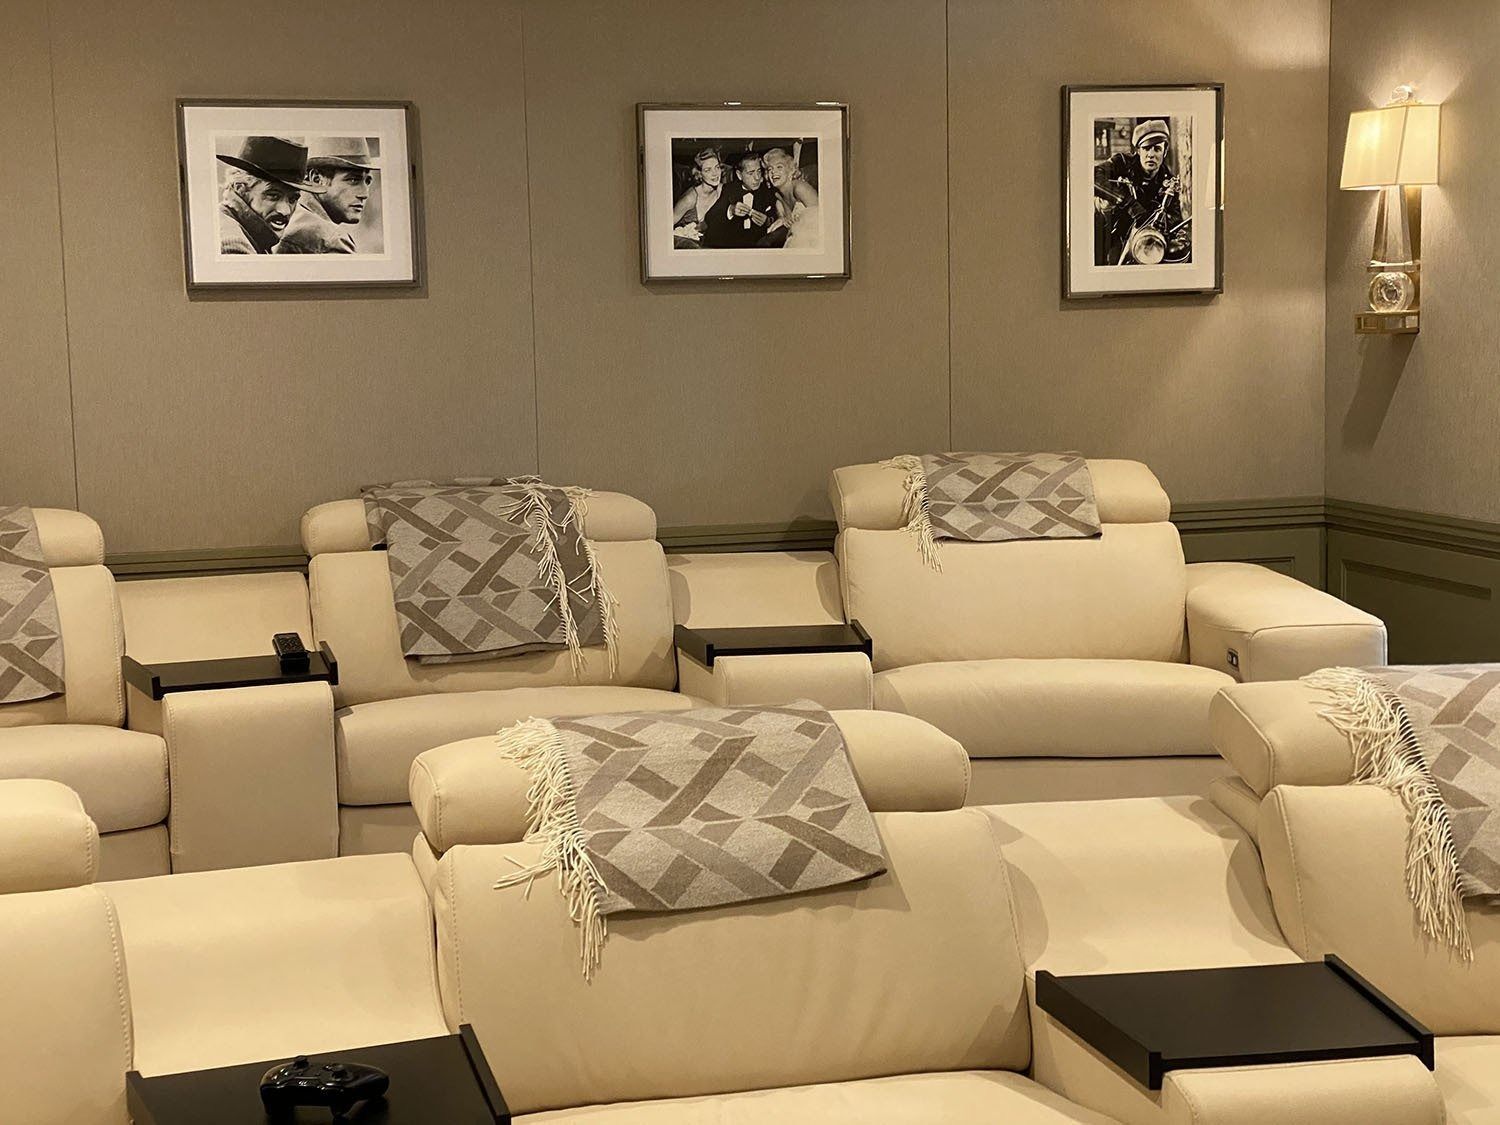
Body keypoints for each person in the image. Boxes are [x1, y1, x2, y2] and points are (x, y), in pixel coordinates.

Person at [1092, 119, 1187, 266]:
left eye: (1157, 149)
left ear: (1165, 151)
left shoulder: (1169, 181)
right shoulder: (1122, 162)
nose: (1151, 155)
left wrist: (1175, 231)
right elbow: (1093, 177)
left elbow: (1175, 217)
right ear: (1137, 150)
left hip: (1144, 239)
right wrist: (1130, 204)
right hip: (1112, 230)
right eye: (1146, 148)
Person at [215, 136, 324, 255]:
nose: (285, 211)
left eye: (292, 199)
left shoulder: (254, 234)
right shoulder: (233, 246)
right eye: (273, 195)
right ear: (240, 188)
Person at [274, 137, 380, 255]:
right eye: (353, 180)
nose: (365, 194)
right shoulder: (331, 241)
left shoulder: (287, 220)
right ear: (316, 179)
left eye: (368, 181)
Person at [699, 151, 779, 249]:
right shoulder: (729, 190)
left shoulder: (768, 191)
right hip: (732, 246)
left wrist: (767, 221)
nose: (757, 178)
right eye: (750, 173)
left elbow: (777, 216)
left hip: (758, 246)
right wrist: (730, 210)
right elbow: (710, 218)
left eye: (759, 171)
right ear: (739, 175)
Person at [762, 144, 820, 249]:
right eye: (770, 169)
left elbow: (822, 219)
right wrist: (784, 221)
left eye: (779, 167)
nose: (773, 172)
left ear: (790, 170)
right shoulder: (778, 201)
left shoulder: (799, 187)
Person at [671, 147, 725, 248]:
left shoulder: (722, 190)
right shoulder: (690, 199)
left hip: (706, 243)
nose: (715, 173)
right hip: (683, 243)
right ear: (699, 174)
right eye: (708, 170)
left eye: (717, 167)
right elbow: (664, 227)